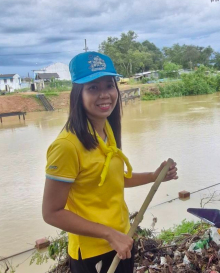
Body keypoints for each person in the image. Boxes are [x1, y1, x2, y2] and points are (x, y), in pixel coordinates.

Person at [42, 51, 178, 273]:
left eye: (109, 85)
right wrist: (108, 234)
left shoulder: (105, 130)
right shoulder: (66, 146)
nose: (104, 94)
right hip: (93, 252)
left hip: (123, 239)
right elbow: (51, 212)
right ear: (78, 93)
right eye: (93, 87)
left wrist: (154, 177)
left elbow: (112, 179)